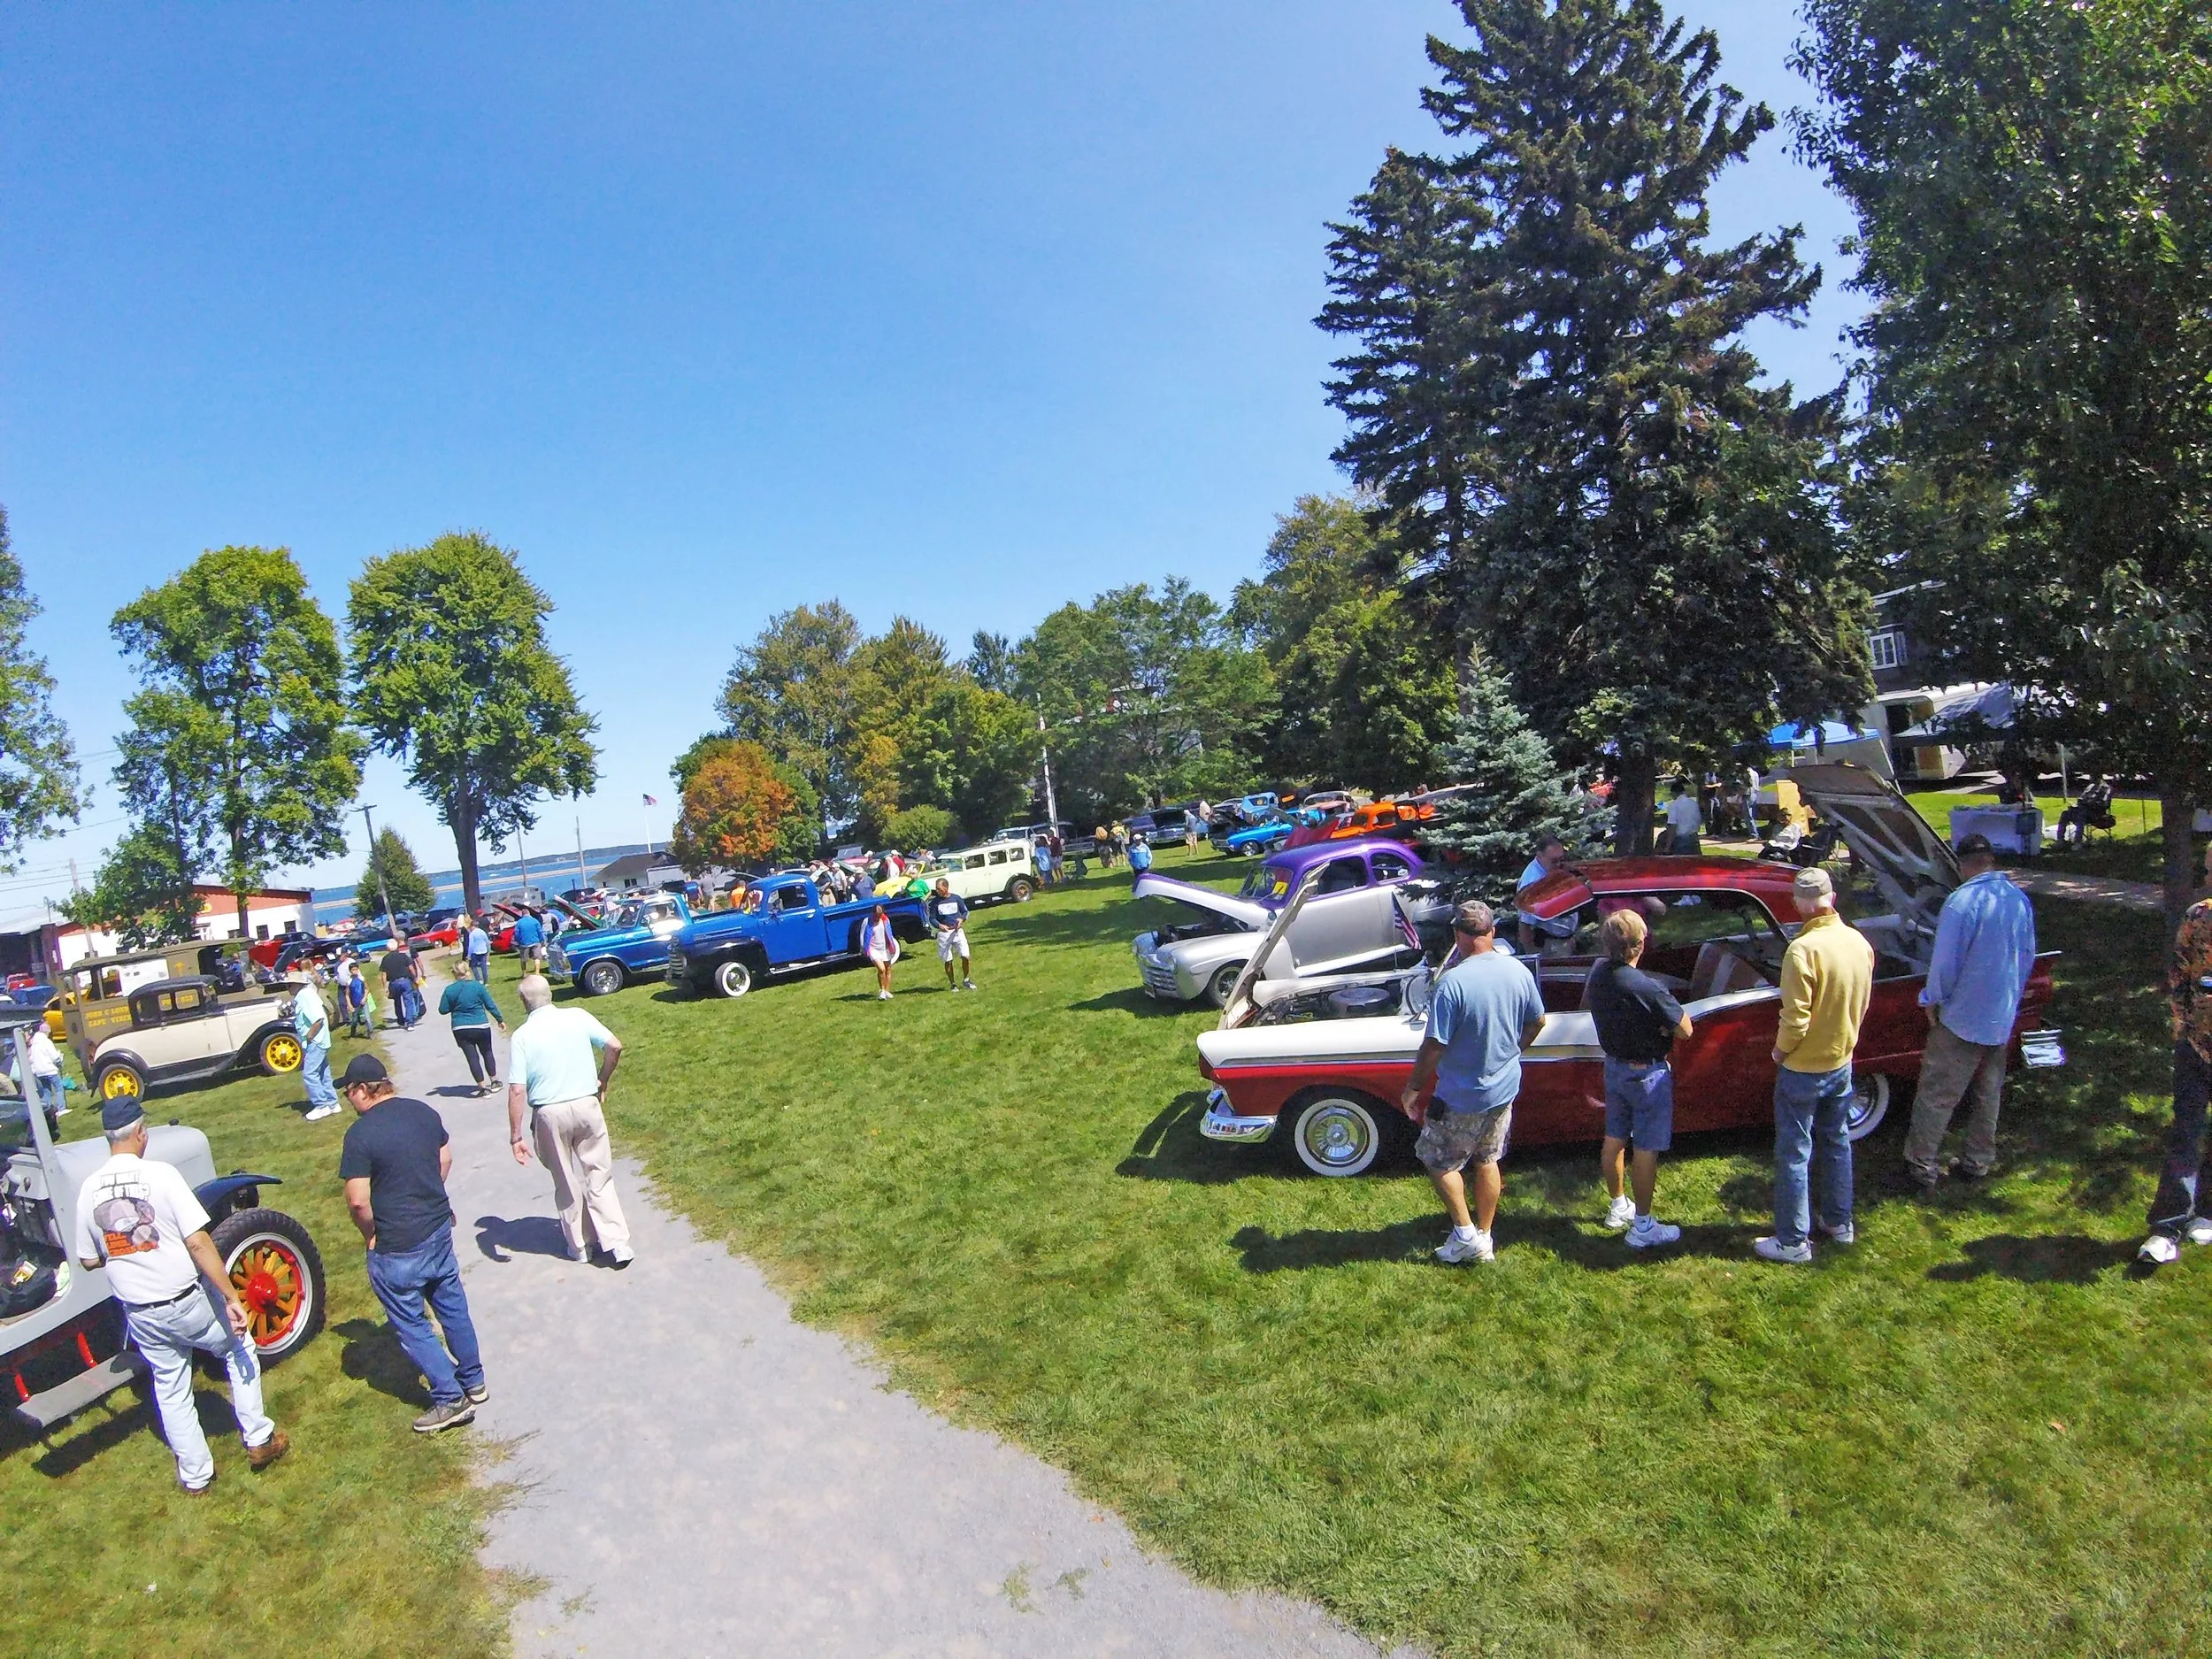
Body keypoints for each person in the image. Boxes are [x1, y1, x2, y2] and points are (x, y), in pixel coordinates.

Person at [73, 1096, 289, 1491]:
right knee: (239, 1350)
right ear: (140, 1133)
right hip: (185, 1299)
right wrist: (231, 1297)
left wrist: (123, 1253)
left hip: (139, 1311)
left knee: (170, 1385)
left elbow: (89, 1260)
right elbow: (199, 1244)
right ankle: (259, 1438)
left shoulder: (88, 1189)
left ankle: (195, 1474)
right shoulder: (162, 1175)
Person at [337, 1054, 487, 1433]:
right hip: (437, 1228)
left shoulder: (360, 1135)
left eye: (347, 1092)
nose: (347, 1100)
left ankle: (449, 1399)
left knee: (410, 1323)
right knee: (452, 1304)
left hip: (397, 1244)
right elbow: (445, 1158)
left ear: (361, 1090)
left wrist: (370, 1233)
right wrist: (431, 1196)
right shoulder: (423, 1112)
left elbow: (357, 1199)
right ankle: (473, 1379)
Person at [1398, 902, 1547, 1264]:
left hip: (1462, 1094)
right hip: (1504, 1089)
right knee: (1487, 1158)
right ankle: (1485, 1236)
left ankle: (1465, 1235)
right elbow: (1538, 1021)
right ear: (1492, 931)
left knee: (1437, 1160)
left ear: (1458, 936)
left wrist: (1413, 1088)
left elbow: (1435, 1044)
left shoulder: (1453, 983)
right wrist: (1513, 1050)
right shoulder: (1518, 971)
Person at [1902, 833, 2037, 1191]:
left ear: (1962, 865)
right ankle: (1978, 1160)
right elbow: (2027, 956)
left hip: (1962, 1015)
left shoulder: (1961, 902)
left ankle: (1922, 1163)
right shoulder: (2018, 899)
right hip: (2001, 1012)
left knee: (1938, 1093)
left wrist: (1932, 999)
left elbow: (1946, 962)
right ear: (1990, 860)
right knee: (1988, 1092)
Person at [1755, 867, 1874, 1264]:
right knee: (1837, 1141)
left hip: (1803, 1066)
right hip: (1842, 1059)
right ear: (1832, 899)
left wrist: (1779, 1052)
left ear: (1799, 905)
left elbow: (1796, 1018)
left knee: (1794, 1152)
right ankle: (1840, 1223)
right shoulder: (1859, 942)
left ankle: (1792, 1241)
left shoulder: (1802, 951)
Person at [506, 974, 634, 1267]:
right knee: (599, 1173)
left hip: (550, 1112)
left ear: (524, 1001)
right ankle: (617, 1242)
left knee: (565, 1178)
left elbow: (516, 1089)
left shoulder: (523, 1036)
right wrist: (602, 1080)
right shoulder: (577, 1016)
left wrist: (515, 1136)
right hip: (586, 1103)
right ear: (549, 994)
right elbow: (614, 1046)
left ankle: (580, 1245)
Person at [1586, 908, 1693, 1248]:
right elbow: (1686, 1030)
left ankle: (1618, 1206)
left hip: (1614, 1067)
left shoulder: (1599, 974)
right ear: (1640, 945)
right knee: (1646, 1148)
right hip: (1647, 1075)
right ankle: (1643, 1226)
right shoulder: (1648, 987)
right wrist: (1661, 1025)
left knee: (1614, 1137)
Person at [2139, 842, 2212, 1265]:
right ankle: (2168, 1224)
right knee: (2186, 1132)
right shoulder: (2198, 917)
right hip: (2195, 1047)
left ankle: (2206, 1211)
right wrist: (2185, 1028)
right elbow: (2178, 975)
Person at [438, 971, 509, 1094]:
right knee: (487, 1052)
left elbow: (443, 1010)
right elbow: (489, 1004)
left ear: (455, 973)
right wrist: (499, 1019)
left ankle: (482, 1087)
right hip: (480, 1024)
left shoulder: (450, 990)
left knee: (472, 1057)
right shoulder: (477, 986)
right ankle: (494, 1081)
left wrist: (455, 1006)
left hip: (460, 1027)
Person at [1516, 836, 1576, 956]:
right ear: (1539, 856)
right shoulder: (1532, 883)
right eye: (1554, 861)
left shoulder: (1551, 870)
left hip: (1564, 941)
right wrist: (1532, 956)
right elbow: (1525, 925)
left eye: (1561, 859)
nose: (1559, 864)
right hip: (1549, 946)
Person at [295, 967, 340, 1122]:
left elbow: (318, 1019)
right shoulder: (309, 994)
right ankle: (332, 1103)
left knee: (309, 1074)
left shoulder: (304, 996)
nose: (287, 988)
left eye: (289, 985)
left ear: (298, 985)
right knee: (323, 1073)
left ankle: (321, 1106)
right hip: (321, 1040)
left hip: (316, 1041)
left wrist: (310, 1035)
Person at [926, 877, 976, 991]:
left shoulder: (956, 898)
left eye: (939, 889)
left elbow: (964, 912)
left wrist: (961, 920)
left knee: (965, 956)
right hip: (944, 933)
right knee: (948, 959)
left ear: (946, 887)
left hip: (957, 931)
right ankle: (953, 983)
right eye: (937, 889)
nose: (937, 891)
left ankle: (966, 979)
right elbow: (932, 918)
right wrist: (939, 925)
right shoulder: (934, 903)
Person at [2055, 774, 2116, 846]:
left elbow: (2104, 803)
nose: (2091, 779)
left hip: (2096, 813)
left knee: (2081, 817)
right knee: (2065, 813)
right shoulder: (2091, 786)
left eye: (2094, 778)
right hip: (2082, 809)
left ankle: (2077, 842)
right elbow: (2082, 798)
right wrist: (2078, 803)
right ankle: (2060, 840)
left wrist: (2091, 803)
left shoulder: (2106, 788)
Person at [26, 1019, 66, 1125]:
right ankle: (61, 1108)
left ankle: (47, 1109)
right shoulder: (46, 1042)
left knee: (46, 1091)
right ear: (46, 1032)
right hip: (49, 1069)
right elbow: (54, 1056)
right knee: (59, 1088)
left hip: (39, 1071)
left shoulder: (33, 1042)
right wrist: (59, 1058)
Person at [863, 902, 901, 1000]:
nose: (878, 917)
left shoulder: (885, 920)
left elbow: (889, 933)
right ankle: (882, 990)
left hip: (885, 948)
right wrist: (863, 948)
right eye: (876, 915)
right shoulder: (867, 921)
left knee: (888, 969)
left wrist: (892, 946)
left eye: (880, 915)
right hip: (873, 949)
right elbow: (862, 935)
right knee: (881, 969)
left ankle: (887, 990)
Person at [382, 941, 422, 1030]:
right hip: (405, 981)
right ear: (397, 947)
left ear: (388, 948)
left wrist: (385, 987)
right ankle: (410, 1023)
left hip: (393, 983)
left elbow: (383, 974)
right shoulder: (403, 956)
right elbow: (411, 968)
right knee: (408, 1002)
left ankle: (401, 1021)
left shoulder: (385, 959)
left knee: (397, 1002)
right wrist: (415, 978)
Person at [1662, 780, 1703, 856]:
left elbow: (1673, 826)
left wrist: (1667, 847)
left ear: (1673, 793)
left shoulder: (1674, 805)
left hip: (1681, 840)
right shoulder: (1694, 803)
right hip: (1694, 839)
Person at [511, 908, 546, 972]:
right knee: (537, 958)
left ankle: (524, 973)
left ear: (522, 914)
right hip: (535, 941)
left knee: (523, 959)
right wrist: (541, 940)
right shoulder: (535, 921)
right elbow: (540, 931)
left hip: (524, 943)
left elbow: (517, 933)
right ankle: (537, 972)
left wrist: (519, 941)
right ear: (529, 913)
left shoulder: (519, 922)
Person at [464, 915, 491, 984]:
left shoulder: (472, 934)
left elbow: (471, 945)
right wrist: (488, 950)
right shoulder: (482, 932)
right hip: (483, 951)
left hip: (475, 952)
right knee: (483, 967)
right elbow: (487, 942)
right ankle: (486, 981)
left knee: (473, 966)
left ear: (473, 926)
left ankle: (479, 979)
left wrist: (469, 955)